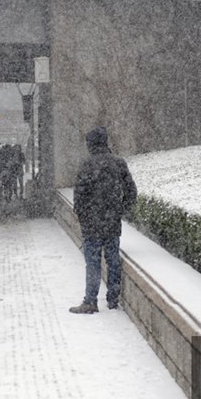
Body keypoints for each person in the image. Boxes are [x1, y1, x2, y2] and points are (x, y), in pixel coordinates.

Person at [69, 126, 137, 314]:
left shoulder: (87, 165)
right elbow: (131, 191)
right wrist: (120, 210)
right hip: (112, 222)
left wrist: (82, 216)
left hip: (92, 223)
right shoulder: (118, 163)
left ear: (91, 144)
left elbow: (79, 195)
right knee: (113, 259)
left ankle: (90, 300)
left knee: (93, 262)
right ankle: (113, 299)